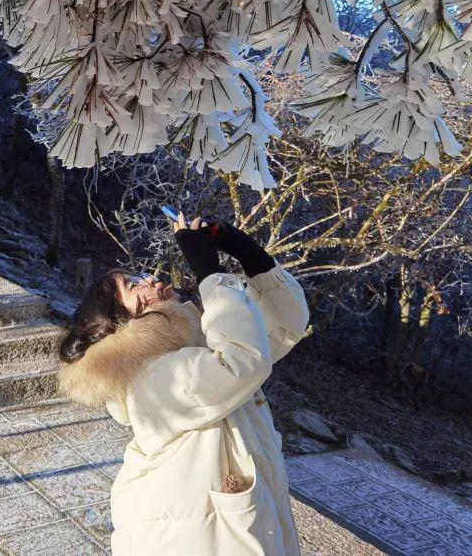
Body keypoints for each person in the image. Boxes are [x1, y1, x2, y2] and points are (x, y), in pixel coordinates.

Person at [57, 214, 309, 555]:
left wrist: (248, 253)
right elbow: (241, 361)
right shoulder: (149, 378)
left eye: (140, 275)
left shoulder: (194, 344)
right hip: (193, 537)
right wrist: (210, 273)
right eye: (133, 285)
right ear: (119, 321)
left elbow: (284, 326)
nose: (151, 280)